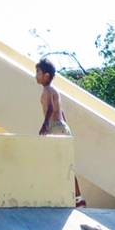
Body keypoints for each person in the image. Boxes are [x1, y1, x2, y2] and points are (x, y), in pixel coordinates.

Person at [36, 58, 85, 208]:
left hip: (55, 127)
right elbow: (61, 111)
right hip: (61, 127)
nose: (36, 75)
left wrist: (45, 125)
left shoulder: (47, 90)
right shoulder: (54, 91)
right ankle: (77, 198)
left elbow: (50, 108)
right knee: (64, 164)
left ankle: (75, 198)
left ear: (46, 75)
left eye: (38, 72)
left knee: (59, 163)